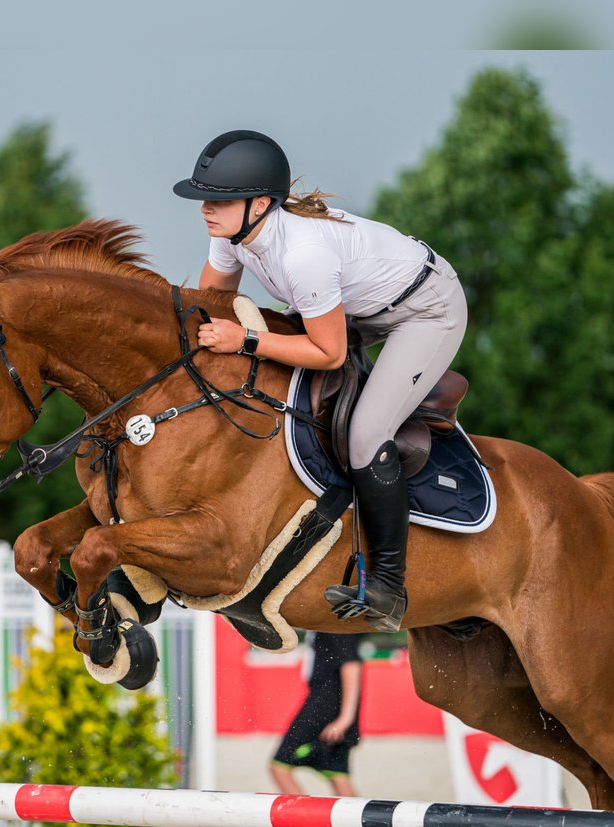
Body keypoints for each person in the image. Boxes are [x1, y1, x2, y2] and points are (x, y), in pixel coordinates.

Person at [173, 129, 468, 631]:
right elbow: (210, 304)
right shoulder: (233, 236)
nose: (205, 208)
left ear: (261, 204)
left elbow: (328, 354)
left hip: (426, 309)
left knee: (365, 435)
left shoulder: (301, 255)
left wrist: (245, 340)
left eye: (219, 200)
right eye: (205, 198)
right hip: (356, 305)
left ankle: (389, 588)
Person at [269, 630, 364, 827]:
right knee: (338, 776)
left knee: (279, 766)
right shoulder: (320, 626)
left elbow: (352, 666)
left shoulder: (332, 622)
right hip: (325, 709)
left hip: (323, 713)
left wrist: (346, 718)